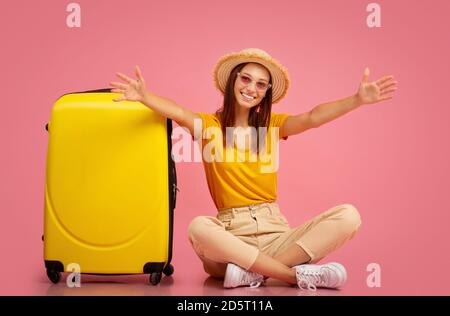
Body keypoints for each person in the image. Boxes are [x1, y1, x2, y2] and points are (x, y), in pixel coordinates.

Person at [109, 48, 397, 291]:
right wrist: (145, 96)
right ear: (233, 81)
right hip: (231, 240)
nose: (251, 88)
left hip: (276, 235)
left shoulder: (272, 126)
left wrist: (356, 100)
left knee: (348, 216)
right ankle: (291, 276)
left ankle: (254, 274)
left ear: (267, 92)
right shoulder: (209, 127)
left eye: (261, 84)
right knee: (198, 226)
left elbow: (312, 117)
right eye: (246, 79)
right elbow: (180, 112)